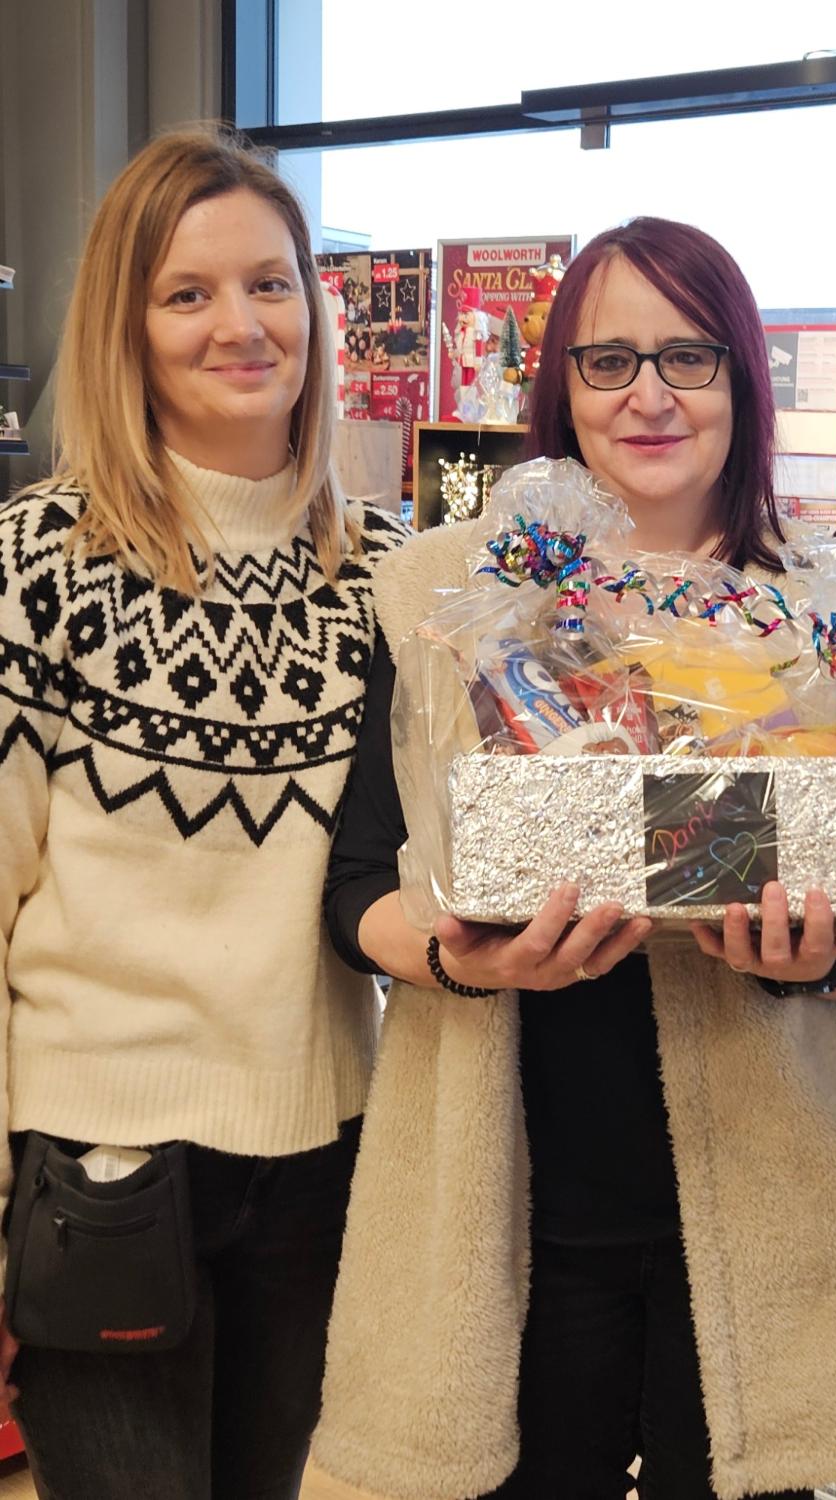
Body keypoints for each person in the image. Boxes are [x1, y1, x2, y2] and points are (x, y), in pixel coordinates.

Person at [312, 216, 836, 1500]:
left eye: (689, 357)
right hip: (517, 1193)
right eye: (608, 360)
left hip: (769, 1194)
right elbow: (354, 890)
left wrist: (835, 957)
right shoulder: (453, 595)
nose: (649, 395)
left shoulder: (831, 615)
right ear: (561, 382)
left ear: (743, 380)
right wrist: (462, 957)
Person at [0, 127, 409, 1497]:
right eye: (188, 293)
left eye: (270, 284)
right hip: (99, 1161)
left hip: (321, 1153)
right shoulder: (37, 566)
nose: (241, 325)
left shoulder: (387, 577)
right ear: (127, 325)